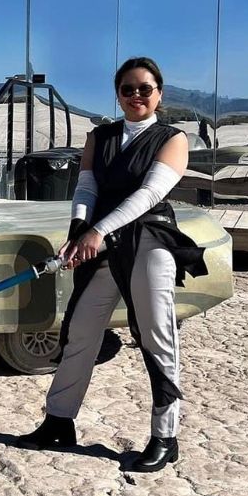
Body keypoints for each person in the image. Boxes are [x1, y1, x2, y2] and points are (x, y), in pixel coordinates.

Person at [16, 57, 208, 472]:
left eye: (145, 88)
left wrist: (97, 231)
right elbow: (86, 187)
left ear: (159, 93)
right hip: (101, 243)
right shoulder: (99, 137)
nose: (136, 95)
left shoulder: (172, 138)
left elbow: (149, 194)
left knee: (156, 335)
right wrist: (78, 231)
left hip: (148, 240)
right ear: (117, 94)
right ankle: (59, 420)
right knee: (80, 330)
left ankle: (165, 436)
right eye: (127, 89)